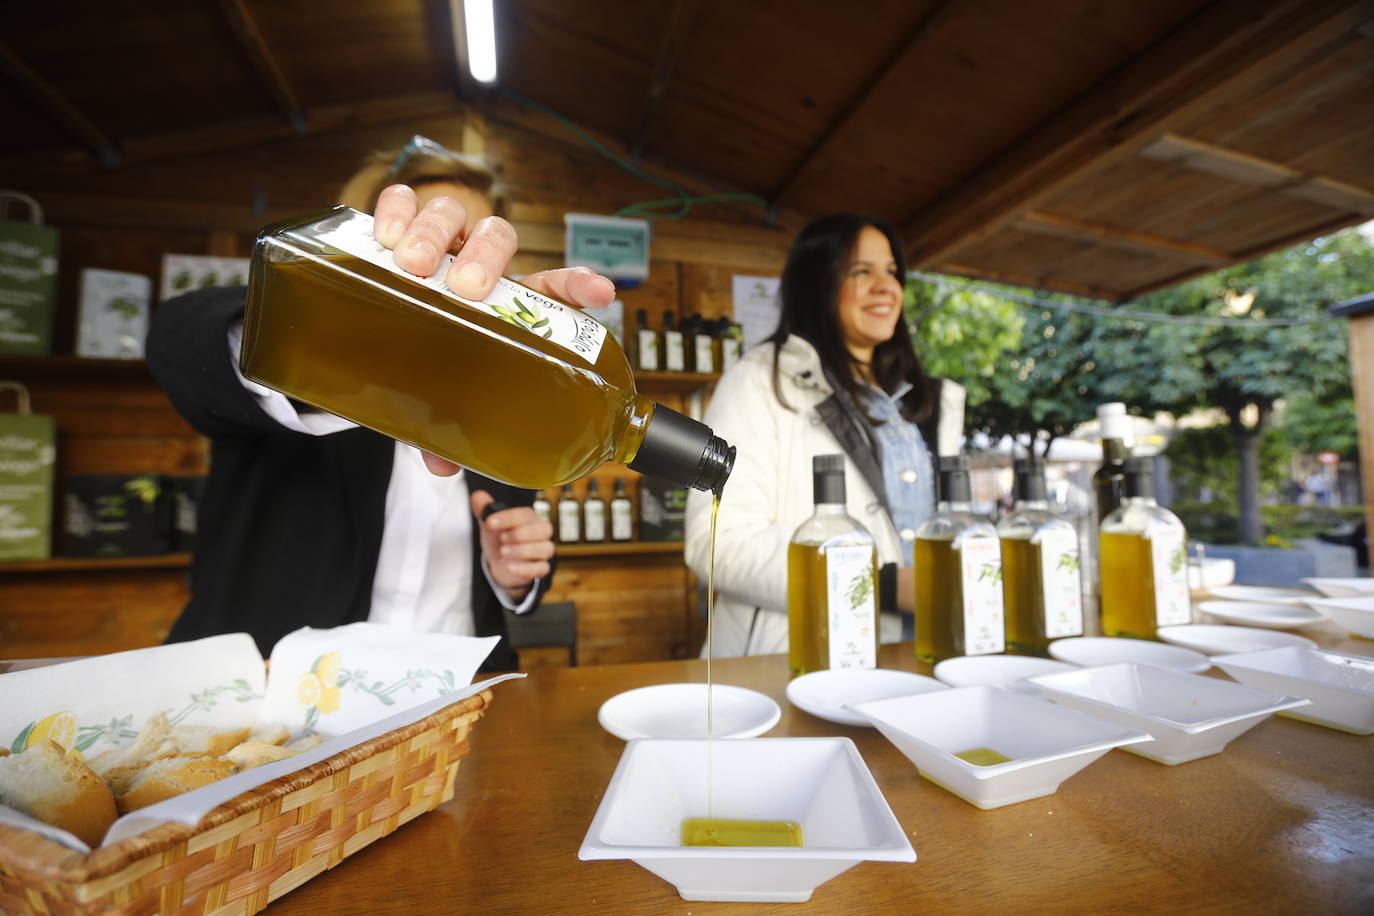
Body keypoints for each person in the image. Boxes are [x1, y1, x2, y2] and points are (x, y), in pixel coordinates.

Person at [147, 136, 615, 670]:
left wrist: (512, 576)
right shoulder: (301, 353)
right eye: (432, 235)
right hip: (284, 696)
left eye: (471, 251)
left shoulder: (502, 402)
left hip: (459, 694)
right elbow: (177, 342)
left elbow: (514, 546)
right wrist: (346, 326)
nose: (450, 262)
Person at [684, 213, 964, 657]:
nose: (886, 287)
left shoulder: (927, 402)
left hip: (921, 652)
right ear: (817, 283)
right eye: (861, 271)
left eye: (892, 271)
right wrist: (884, 585)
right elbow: (718, 542)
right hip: (798, 658)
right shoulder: (759, 379)